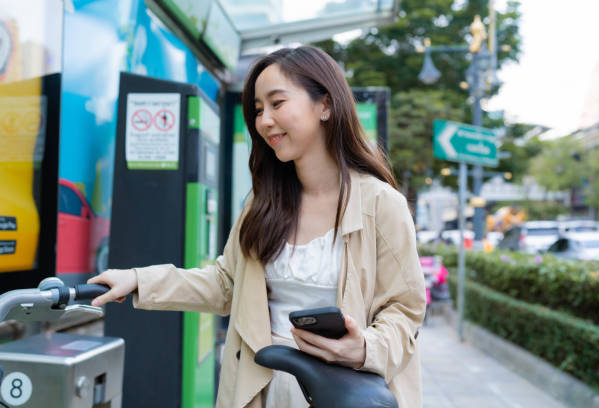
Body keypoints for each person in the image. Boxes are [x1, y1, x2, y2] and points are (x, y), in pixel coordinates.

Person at [89, 46, 426, 408]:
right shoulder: (262, 203)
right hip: (261, 390)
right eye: (258, 110)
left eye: (277, 103)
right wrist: (139, 280)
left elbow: (404, 310)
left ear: (325, 105)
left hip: (345, 391)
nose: (264, 121)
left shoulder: (380, 204)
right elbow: (225, 284)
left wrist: (363, 348)